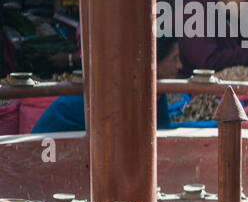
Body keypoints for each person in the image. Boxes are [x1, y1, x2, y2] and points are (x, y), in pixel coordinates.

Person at [32, 37, 182, 133]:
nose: (180, 65)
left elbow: (161, 133)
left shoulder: (156, 91)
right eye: (173, 59)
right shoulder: (121, 92)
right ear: (152, 64)